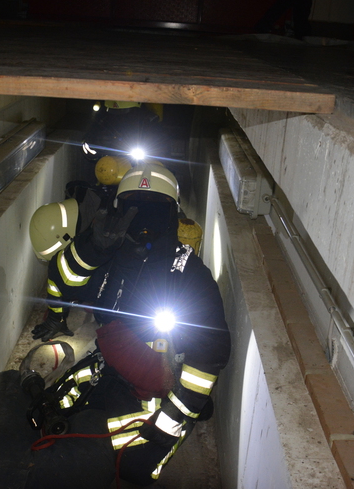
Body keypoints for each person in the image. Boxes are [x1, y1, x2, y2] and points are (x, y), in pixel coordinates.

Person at [29, 161, 231, 487]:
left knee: (133, 467)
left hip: (160, 379)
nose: (144, 218)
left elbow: (207, 357)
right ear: (119, 210)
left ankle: (188, 416)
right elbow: (63, 280)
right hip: (111, 362)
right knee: (53, 411)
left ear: (172, 213)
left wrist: (175, 415)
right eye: (134, 207)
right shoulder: (107, 253)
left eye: (155, 208)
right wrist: (91, 249)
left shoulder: (188, 274)